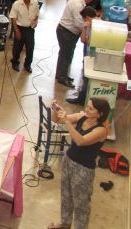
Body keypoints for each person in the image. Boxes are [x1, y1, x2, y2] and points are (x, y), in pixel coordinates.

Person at [48, 97, 110, 229]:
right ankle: (65, 224)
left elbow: (80, 141)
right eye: (87, 106)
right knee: (66, 196)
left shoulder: (101, 130)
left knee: (81, 204)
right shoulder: (82, 117)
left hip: (83, 170)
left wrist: (67, 121)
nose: (86, 110)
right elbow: (56, 120)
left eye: (90, 109)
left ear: (99, 114)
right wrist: (55, 110)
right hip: (68, 161)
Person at [55, 0, 96, 88]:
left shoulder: (78, 0)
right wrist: (88, 28)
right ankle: (62, 77)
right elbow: (78, 23)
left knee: (65, 54)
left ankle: (61, 74)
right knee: (66, 55)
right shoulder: (78, 5)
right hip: (67, 32)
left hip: (68, 31)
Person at [9, 0, 40, 73]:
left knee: (30, 48)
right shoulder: (17, 4)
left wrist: (35, 21)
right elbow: (13, 17)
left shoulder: (35, 3)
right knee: (17, 48)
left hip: (30, 29)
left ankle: (27, 65)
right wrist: (16, 30)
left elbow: (37, 13)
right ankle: (15, 62)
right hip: (20, 28)